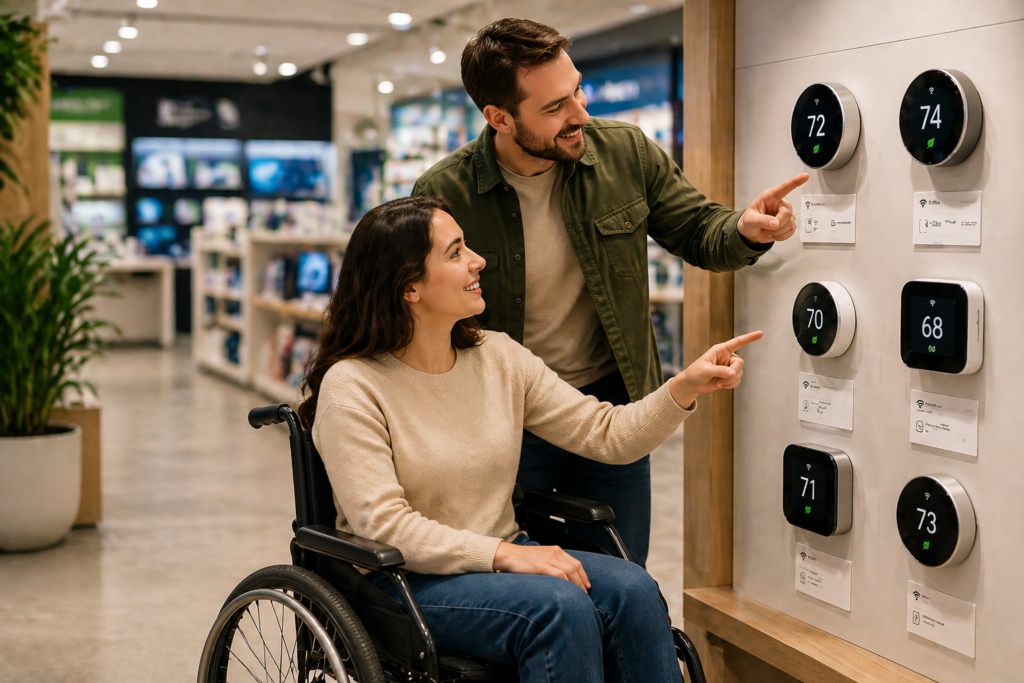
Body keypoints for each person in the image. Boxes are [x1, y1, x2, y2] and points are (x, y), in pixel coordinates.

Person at [299, 196, 762, 682]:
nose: (478, 260)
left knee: (634, 589)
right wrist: (505, 555)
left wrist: (685, 386)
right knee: (559, 608)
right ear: (409, 286)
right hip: (403, 581)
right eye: (455, 252)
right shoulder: (353, 386)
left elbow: (607, 434)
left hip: (498, 562)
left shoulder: (498, 357)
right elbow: (384, 526)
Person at [411, 18, 806, 566]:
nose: (579, 114)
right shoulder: (444, 193)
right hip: (501, 419)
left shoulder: (625, 153)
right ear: (499, 117)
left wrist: (744, 228)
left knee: (621, 575)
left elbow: (697, 229)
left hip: (609, 407)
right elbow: (423, 319)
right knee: (526, 580)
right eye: (555, 107)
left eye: (577, 90)